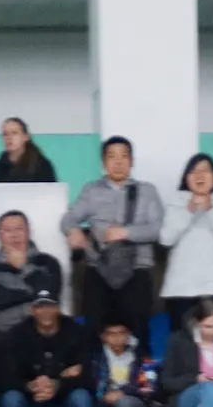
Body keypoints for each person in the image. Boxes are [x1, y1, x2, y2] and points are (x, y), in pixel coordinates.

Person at [62, 136, 164, 350]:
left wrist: (125, 232)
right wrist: (73, 231)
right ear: (103, 163)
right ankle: (97, 381)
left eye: (123, 156)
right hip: (98, 269)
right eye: (111, 156)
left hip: (137, 271)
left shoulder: (147, 191)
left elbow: (156, 230)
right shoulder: (91, 190)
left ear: (132, 161)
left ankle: (139, 382)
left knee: (138, 332)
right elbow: (68, 218)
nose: (118, 162)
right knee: (94, 332)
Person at [160, 153, 213, 328]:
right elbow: (165, 238)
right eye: (194, 171)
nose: (199, 175)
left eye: (205, 170)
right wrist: (189, 210)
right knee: (183, 344)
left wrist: (211, 209)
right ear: (186, 178)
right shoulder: (177, 200)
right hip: (181, 288)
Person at [0, 210, 65, 334]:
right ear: (0, 236)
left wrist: (24, 266)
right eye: (8, 230)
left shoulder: (48, 262)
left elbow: (50, 297)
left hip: (44, 332)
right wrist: (30, 303)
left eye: (19, 229)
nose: (14, 235)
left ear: (28, 232)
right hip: (7, 334)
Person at [0, 117, 57, 183]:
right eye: (5, 134)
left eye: (14, 133)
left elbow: (51, 193)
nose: (9, 138)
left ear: (26, 136)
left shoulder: (42, 165)